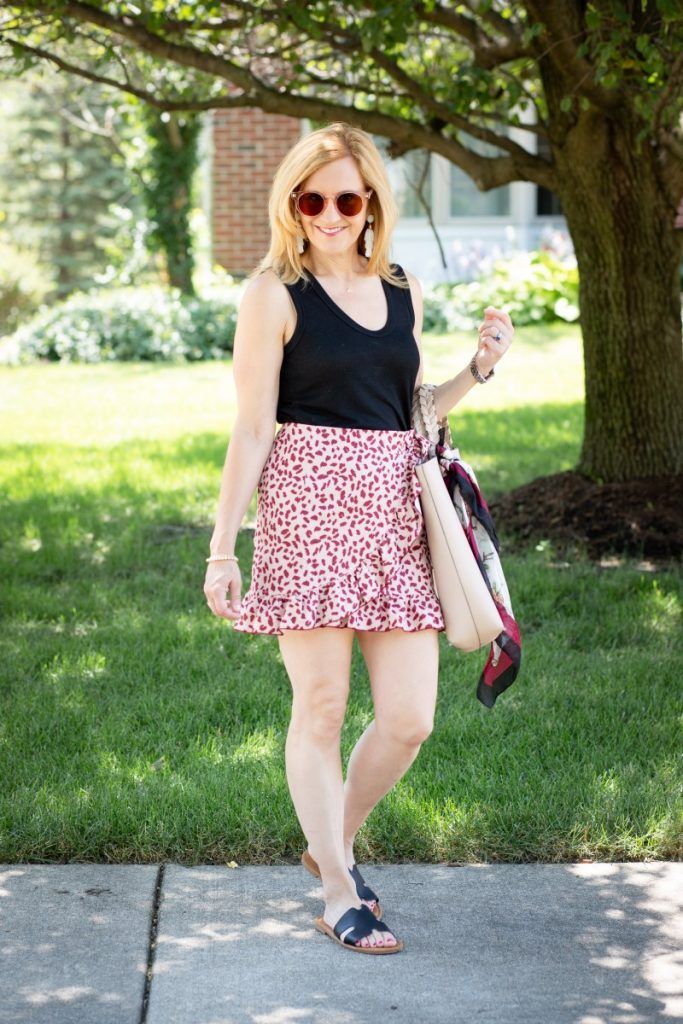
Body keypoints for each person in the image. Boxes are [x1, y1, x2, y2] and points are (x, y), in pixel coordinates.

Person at [204, 121, 513, 954]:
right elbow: (251, 427)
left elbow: (410, 409)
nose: (330, 216)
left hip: (393, 514)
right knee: (323, 706)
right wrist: (224, 547)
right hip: (306, 512)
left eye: (346, 199)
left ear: (370, 201)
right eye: (311, 201)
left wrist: (477, 368)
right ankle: (339, 890)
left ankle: (329, 842)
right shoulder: (273, 294)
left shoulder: (400, 289)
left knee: (409, 719)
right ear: (291, 206)